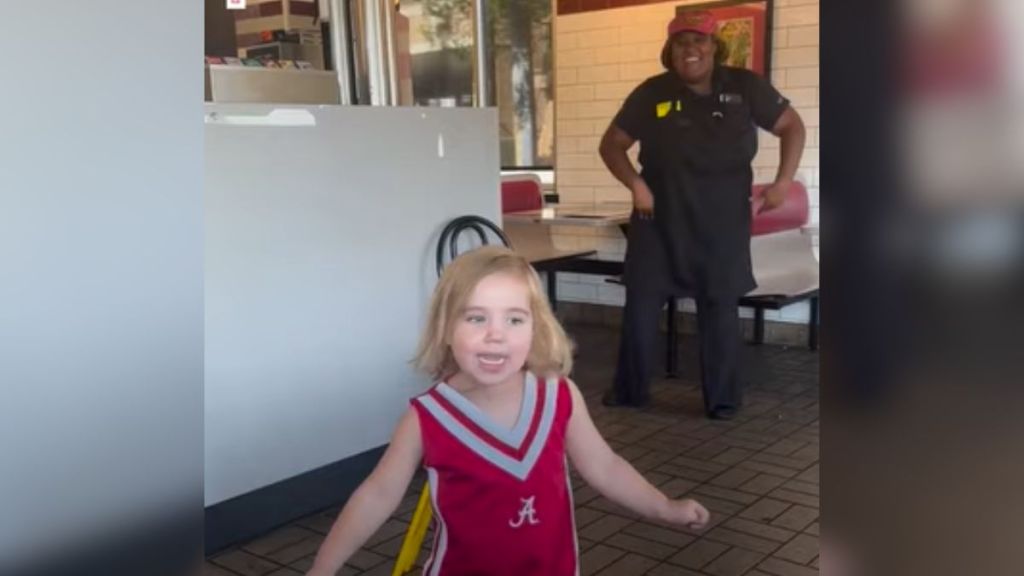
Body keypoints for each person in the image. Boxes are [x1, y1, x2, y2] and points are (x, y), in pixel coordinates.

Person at [305, 246, 709, 576]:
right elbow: (378, 493)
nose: (495, 334)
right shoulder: (427, 417)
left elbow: (605, 466)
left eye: (514, 319)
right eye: (476, 317)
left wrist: (665, 508)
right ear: (446, 328)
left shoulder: (559, 396)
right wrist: (322, 569)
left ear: (536, 327)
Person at [598, 10, 806, 420]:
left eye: (699, 41)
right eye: (680, 42)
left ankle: (723, 402)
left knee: (719, 307)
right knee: (641, 304)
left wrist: (783, 182)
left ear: (715, 47)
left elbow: (792, 127)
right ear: (669, 50)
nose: (690, 49)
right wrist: (637, 186)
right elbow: (612, 145)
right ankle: (630, 392)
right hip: (657, 218)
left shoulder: (745, 88)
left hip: (721, 219)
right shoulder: (651, 93)